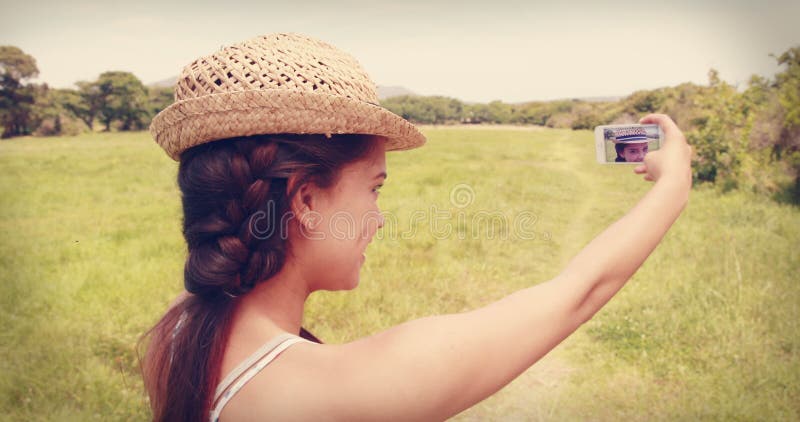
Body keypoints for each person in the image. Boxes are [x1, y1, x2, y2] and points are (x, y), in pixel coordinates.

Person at [141, 33, 692, 421]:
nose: (380, 218)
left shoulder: (177, 335)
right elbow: (578, 293)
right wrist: (673, 186)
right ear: (306, 199)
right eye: (375, 188)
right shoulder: (338, 391)